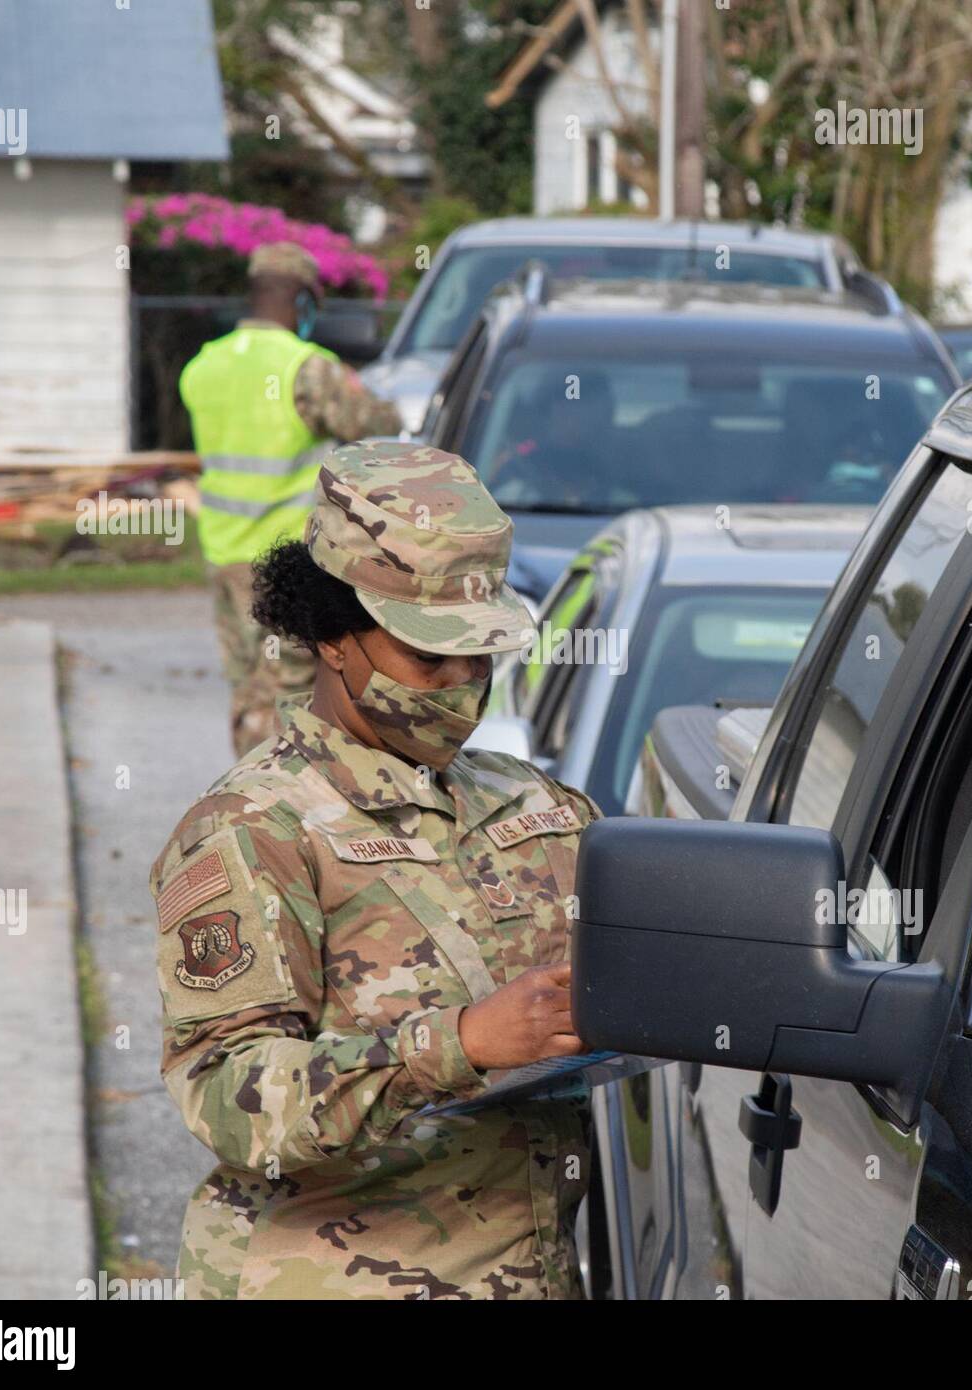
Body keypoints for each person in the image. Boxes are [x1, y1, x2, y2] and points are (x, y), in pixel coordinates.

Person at [149, 441, 602, 1300]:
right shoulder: (251, 829)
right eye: (429, 659)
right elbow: (226, 1097)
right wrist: (459, 1045)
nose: (463, 685)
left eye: (482, 658)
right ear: (331, 637)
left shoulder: (539, 807)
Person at [180, 242, 403, 755]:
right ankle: (284, 810)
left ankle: (245, 803)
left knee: (247, 691)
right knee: (290, 697)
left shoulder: (202, 366)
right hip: (287, 563)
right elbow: (374, 425)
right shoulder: (307, 368)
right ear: (302, 302)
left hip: (224, 554)